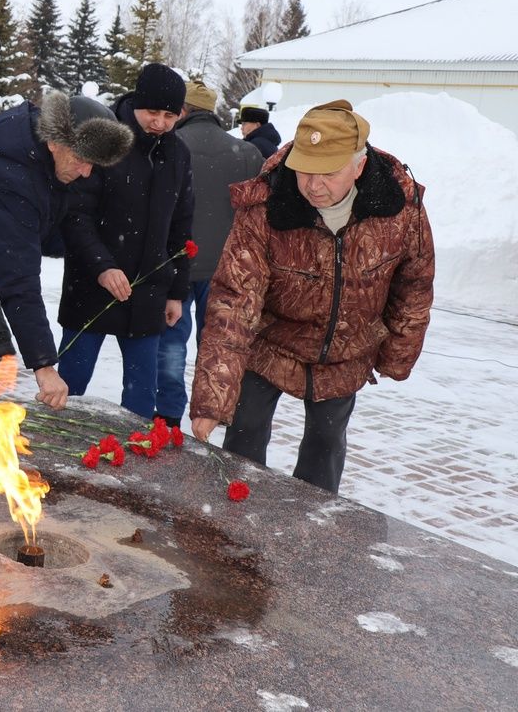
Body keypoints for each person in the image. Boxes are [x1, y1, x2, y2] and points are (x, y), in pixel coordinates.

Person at [191, 100, 434, 493]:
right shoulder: (265, 205)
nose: (313, 185)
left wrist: (397, 353)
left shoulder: (400, 208)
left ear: (359, 166)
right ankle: (231, 523)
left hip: (345, 350)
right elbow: (234, 300)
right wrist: (212, 399)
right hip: (270, 345)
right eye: (304, 170)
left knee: (325, 450)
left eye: (329, 173)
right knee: (243, 440)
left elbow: (414, 283)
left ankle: (312, 536)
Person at [0, 90, 132, 406]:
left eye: (94, 165)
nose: (87, 172)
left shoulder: (46, 164)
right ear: (54, 142)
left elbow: (61, 227)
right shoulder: (14, 175)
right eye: (82, 160)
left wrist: (102, 264)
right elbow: (18, 277)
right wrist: (43, 364)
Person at [57, 63, 194, 419]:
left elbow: (182, 225)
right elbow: (75, 216)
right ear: (135, 103)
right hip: (92, 288)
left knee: (140, 400)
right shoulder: (106, 141)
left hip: (148, 292)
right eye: (152, 112)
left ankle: (132, 460)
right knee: (68, 390)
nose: (160, 123)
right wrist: (103, 266)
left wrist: (177, 291)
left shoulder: (178, 154)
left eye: (169, 115)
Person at [153, 81, 263, 428]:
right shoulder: (245, 154)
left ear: (182, 110)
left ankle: (168, 412)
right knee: (219, 346)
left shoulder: (169, 147)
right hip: (227, 267)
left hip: (177, 263)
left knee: (171, 343)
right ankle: (212, 413)